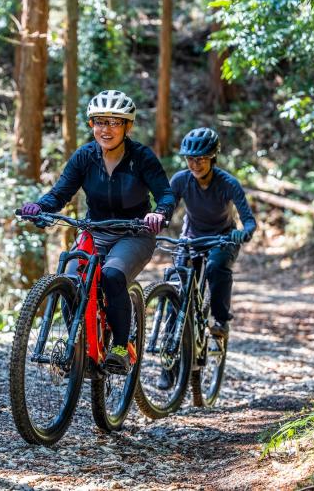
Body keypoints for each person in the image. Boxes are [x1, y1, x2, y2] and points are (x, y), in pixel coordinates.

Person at [20, 90, 175, 374]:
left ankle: (119, 346)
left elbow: (165, 194)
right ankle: (78, 344)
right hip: (95, 231)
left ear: (127, 126)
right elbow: (60, 193)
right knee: (68, 276)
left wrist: (159, 213)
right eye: (100, 122)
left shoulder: (141, 157)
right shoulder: (85, 157)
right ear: (92, 125)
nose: (106, 129)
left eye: (115, 122)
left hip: (135, 233)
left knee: (112, 276)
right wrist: (40, 208)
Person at [170, 127, 256, 340]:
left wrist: (244, 232)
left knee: (216, 267)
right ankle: (171, 337)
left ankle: (220, 321)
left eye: (201, 159)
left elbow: (249, 221)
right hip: (192, 238)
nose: (195, 165)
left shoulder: (228, 183)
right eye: (190, 159)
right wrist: (153, 222)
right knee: (177, 279)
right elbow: (165, 210)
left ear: (212, 158)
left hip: (223, 238)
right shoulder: (180, 180)